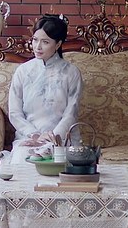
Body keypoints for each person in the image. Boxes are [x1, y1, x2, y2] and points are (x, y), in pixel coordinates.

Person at [8, 14, 83, 145]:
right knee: (24, 157)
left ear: (58, 44)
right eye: (35, 40)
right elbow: (14, 113)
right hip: (29, 137)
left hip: (62, 138)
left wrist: (53, 137)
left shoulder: (71, 73)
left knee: (57, 156)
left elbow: (71, 113)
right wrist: (35, 135)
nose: (38, 46)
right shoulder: (23, 71)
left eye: (45, 42)